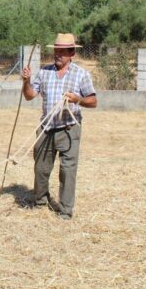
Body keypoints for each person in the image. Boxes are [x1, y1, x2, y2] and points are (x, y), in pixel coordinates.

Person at [21, 33, 97, 220]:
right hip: (46, 128)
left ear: (71, 53)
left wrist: (77, 99)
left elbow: (93, 101)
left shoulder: (81, 74)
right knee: (41, 167)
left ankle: (65, 210)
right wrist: (26, 81)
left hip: (69, 128)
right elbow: (30, 95)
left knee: (67, 170)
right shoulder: (44, 72)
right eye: (56, 51)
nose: (58, 55)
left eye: (62, 52)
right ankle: (40, 200)